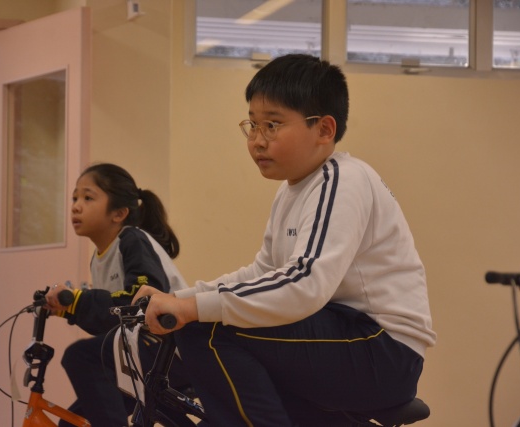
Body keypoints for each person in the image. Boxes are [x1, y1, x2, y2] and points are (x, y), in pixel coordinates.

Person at [134, 53, 437, 427]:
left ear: (324, 129)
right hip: (344, 336)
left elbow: (305, 283)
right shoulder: (293, 190)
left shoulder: (342, 180)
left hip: (382, 349)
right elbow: (263, 273)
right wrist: (180, 298)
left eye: (272, 125)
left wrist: (193, 308)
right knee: (206, 328)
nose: (257, 141)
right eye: (253, 125)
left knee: (205, 330)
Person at [44, 163, 189, 427]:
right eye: (75, 198)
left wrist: (78, 302)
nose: (76, 206)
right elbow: (112, 322)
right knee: (73, 422)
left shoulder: (132, 240)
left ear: (119, 213)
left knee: (80, 356)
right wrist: (70, 309)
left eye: (88, 198)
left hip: (173, 350)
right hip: (142, 353)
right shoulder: (99, 257)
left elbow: (140, 302)